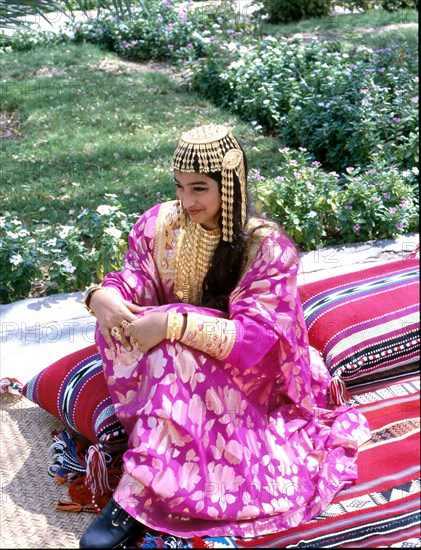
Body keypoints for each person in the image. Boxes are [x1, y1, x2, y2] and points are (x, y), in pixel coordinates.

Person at [79, 123, 370, 548]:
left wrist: (174, 323)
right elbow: (137, 279)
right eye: (179, 187)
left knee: (173, 352)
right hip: (174, 367)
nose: (186, 200)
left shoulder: (266, 249)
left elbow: (257, 338)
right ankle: (158, 473)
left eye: (199, 189)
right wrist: (101, 296)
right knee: (127, 329)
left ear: (230, 182)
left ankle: (139, 494)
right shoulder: (160, 225)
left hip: (255, 378)